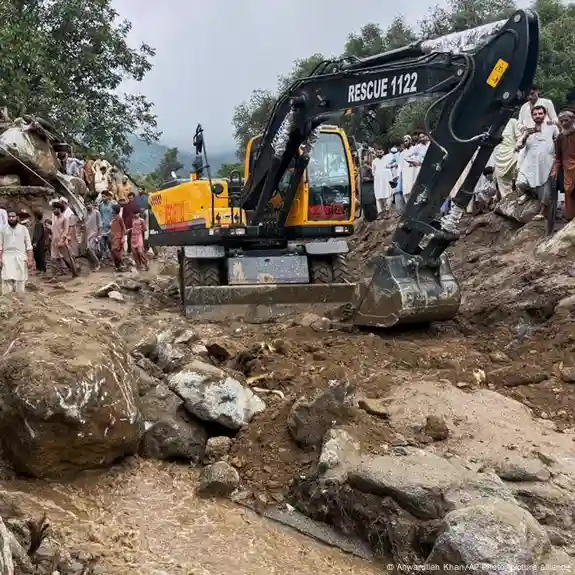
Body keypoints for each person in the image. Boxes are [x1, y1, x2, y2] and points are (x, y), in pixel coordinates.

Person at [515, 105, 559, 221]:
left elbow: (558, 140)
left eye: (540, 113)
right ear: (532, 116)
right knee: (520, 182)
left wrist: (556, 159)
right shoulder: (528, 129)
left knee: (545, 187)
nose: (537, 116)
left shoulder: (552, 127)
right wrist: (525, 135)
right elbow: (518, 146)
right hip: (529, 162)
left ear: (545, 114)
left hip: (546, 162)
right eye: (535, 114)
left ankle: (543, 212)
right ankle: (529, 193)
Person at [0, 211, 33, 295]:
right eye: (9, 217)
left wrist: (30, 259)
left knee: (20, 279)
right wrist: (0, 258)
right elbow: (0, 245)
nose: (11, 218)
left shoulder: (23, 229)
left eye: (13, 216)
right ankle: (8, 299)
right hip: (7, 257)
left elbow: (29, 245)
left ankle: (20, 298)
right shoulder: (3, 229)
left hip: (20, 257)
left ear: (17, 217)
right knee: (6, 279)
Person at [551, 109, 575, 221]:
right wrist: (555, 170)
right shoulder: (560, 137)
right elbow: (558, 157)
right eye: (561, 121)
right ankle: (570, 218)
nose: (564, 123)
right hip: (567, 170)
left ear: (573, 119)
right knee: (569, 193)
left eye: (566, 120)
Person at [493, 118, 521, 199]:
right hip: (498, 157)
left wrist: (518, 147)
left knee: (519, 180)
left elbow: (520, 137)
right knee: (503, 184)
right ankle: (508, 203)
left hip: (513, 155)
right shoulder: (491, 124)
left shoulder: (512, 122)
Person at [51, 202, 78, 278]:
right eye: (52, 209)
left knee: (68, 259)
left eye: (54, 209)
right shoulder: (56, 220)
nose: (53, 211)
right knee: (56, 258)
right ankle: (58, 274)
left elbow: (66, 230)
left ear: (59, 209)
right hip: (55, 242)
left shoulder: (65, 218)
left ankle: (75, 274)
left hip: (62, 242)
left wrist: (62, 240)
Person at [85, 203, 102, 270]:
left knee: (90, 248)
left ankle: (98, 263)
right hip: (87, 234)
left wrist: (99, 235)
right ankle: (94, 264)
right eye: (86, 204)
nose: (88, 205)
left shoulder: (96, 213)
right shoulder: (85, 213)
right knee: (89, 250)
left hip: (94, 234)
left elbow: (100, 225)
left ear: (92, 204)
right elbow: (86, 223)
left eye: (89, 204)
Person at [110, 204, 126, 271]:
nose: (111, 210)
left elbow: (124, 228)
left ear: (115, 211)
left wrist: (123, 237)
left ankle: (122, 262)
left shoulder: (120, 218)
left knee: (114, 249)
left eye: (112, 209)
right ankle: (118, 266)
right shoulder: (113, 218)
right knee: (113, 252)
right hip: (113, 237)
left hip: (118, 237)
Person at [99, 191, 115, 259]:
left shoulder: (112, 205)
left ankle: (111, 255)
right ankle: (104, 256)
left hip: (110, 227)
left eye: (104, 196)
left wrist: (112, 222)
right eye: (102, 196)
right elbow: (100, 215)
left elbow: (114, 216)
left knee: (110, 242)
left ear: (108, 197)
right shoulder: (101, 205)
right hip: (103, 226)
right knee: (102, 242)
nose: (103, 198)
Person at [31, 209, 47, 274]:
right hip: (35, 243)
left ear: (36, 217)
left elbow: (39, 234)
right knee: (36, 256)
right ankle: (39, 269)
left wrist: (35, 242)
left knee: (40, 256)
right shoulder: (36, 224)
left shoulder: (40, 224)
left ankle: (43, 270)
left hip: (39, 243)